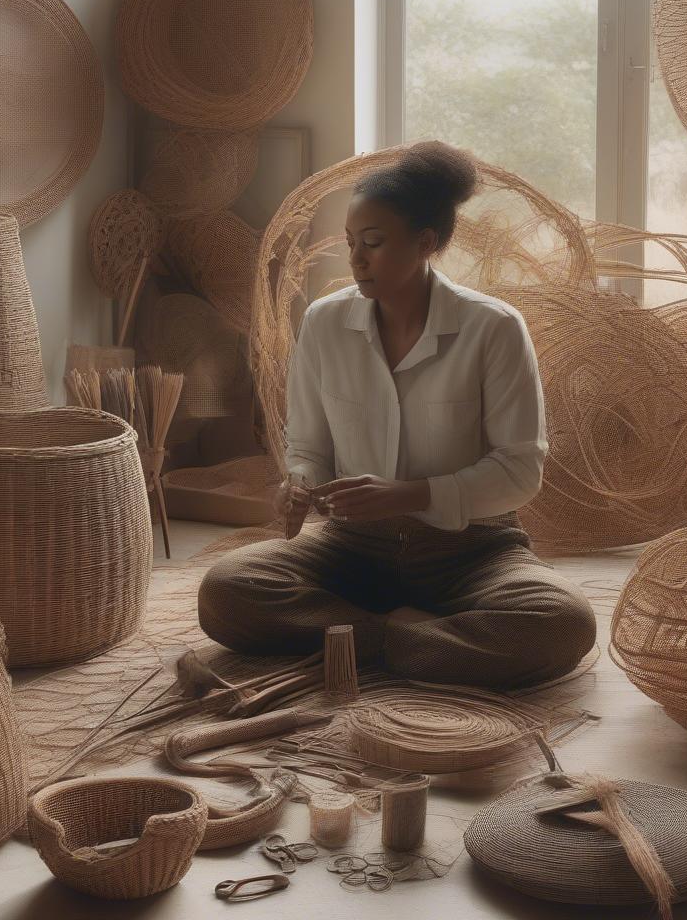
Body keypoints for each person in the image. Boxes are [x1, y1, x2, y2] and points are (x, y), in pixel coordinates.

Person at [198, 141, 595, 689]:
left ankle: (351, 642)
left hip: (472, 550)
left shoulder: (493, 329)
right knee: (227, 591)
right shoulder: (325, 323)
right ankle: (410, 641)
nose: (357, 259)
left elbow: (520, 472)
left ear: (426, 243)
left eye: (375, 243)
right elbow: (308, 447)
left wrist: (410, 494)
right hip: (352, 547)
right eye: (352, 243)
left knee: (561, 623)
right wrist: (299, 488)